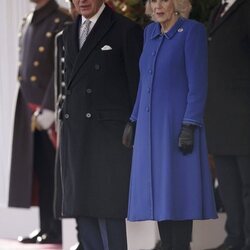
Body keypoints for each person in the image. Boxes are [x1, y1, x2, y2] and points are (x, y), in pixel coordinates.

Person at [125, 0, 217, 249]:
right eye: (153, 0)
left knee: (179, 192)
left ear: (177, 3)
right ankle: (167, 245)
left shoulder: (191, 31)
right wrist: (133, 120)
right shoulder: (150, 33)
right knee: (159, 193)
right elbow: (145, 82)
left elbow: (198, 85)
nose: (158, 5)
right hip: (150, 129)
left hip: (177, 127)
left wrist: (190, 123)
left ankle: (180, 245)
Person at [58, 0, 143, 249]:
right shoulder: (68, 32)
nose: (82, 1)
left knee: (109, 210)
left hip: (110, 137)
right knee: (83, 210)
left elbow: (136, 86)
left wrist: (134, 125)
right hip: (76, 133)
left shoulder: (125, 30)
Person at [8, 0, 71, 244]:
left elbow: (61, 68)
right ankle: (45, 228)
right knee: (36, 170)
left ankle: (55, 230)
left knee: (51, 172)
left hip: (49, 108)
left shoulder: (61, 18)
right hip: (27, 107)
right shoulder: (28, 20)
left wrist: (49, 108)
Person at [204, 0, 250, 249]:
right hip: (221, 120)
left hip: (245, 118)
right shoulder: (217, 11)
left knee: (248, 187)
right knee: (230, 187)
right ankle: (235, 237)